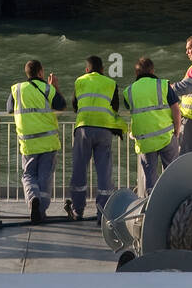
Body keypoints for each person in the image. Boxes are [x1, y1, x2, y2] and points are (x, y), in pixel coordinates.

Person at [7, 59, 66, 224]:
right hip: (48, 142)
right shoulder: (48, 88)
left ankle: (33, 198)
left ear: (27, 73)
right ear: (41, 73)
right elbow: (61, 105)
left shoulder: (17, 89)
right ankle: (41, 212)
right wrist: (55, 87)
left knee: (28, 175)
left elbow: (9, 108)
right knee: (45, 177)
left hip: (28, 142)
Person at [65, 54, 120, 224]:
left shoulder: (80, 81)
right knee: (104, 172)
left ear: (87, 69)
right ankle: (102, 214)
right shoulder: (111, 83)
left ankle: (77, 210)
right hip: (104, 129)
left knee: (79, 169)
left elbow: (75, 105)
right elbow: (116, 107)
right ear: (103, 69)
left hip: (84, 128)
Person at [121, 57, 181, 195]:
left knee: (150, 177)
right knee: (172, 173)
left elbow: (130, 108)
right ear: (153, 70)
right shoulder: (163, 85)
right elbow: (176, 110)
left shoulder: (128, 91)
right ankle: (174, 203)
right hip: (166, 136)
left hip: (145, 141)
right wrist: (176, 131)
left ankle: (151, 207)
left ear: (136, 73)